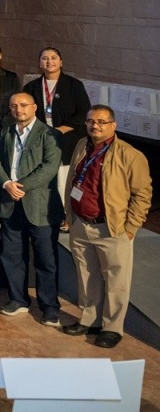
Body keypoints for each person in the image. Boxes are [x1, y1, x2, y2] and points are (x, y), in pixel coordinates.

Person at [62, 106, 152, 348]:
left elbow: (143, 195)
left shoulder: (130, 155)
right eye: (91, 121)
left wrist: (130, 227)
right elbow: (73, 179)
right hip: (81, 224)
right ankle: (90, 320)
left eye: (101, 122)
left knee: (116, 281)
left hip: (112, 229)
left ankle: (112, 328)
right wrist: (70, 214)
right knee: (86, 275)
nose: (95, 126)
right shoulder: (82, 145)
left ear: (113, 125)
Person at [0, 92, 63, 325]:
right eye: (14, 106)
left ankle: (49, 306)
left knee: (46, 260)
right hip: (10, 203)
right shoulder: (6, 132)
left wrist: (21, 186)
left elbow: (50, 167)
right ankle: (18, 299)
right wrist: (6, 184)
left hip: (40, 206)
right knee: (12, 256)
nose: (18, 110)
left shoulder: (49, 134)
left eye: (23, 105)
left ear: (34, 107)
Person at [23, 47, 91, 187]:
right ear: (40, 63)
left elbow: (83, 112)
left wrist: (60, 130)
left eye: (53, 58)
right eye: (45, 58)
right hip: (41, 138)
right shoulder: (31, 87)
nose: (49, 61)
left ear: (61, 62)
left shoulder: (74, 85)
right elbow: (25, 113)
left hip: (68, 138)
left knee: (63, 182)